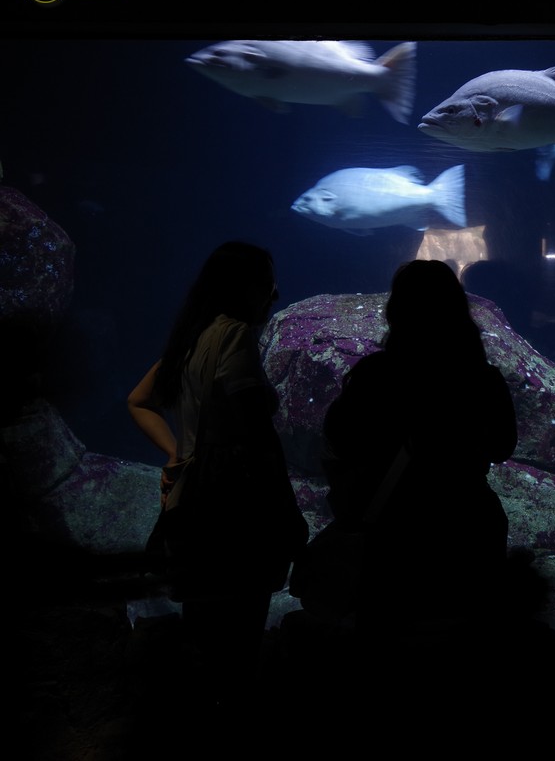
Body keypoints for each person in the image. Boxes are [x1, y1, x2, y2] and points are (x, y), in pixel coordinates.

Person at [127, 240, 306, 708]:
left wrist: (178, 455)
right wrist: (287, 511)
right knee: (238, 643)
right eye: (266, 283)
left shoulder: (194, 337)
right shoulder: (233, 335)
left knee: (202, 639)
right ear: (244, 287)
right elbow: (254, 428)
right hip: (234, 513)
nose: (274, 294)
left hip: (189, 508)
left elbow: (138, 401)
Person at [321, 259, 519, 633]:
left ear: (395, 311)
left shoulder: (374, 374)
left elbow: (339, 436)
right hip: (467, 525)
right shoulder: (483, 379)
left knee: (390, 638)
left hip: (394, 531)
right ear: (459, 311)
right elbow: (503, 446)